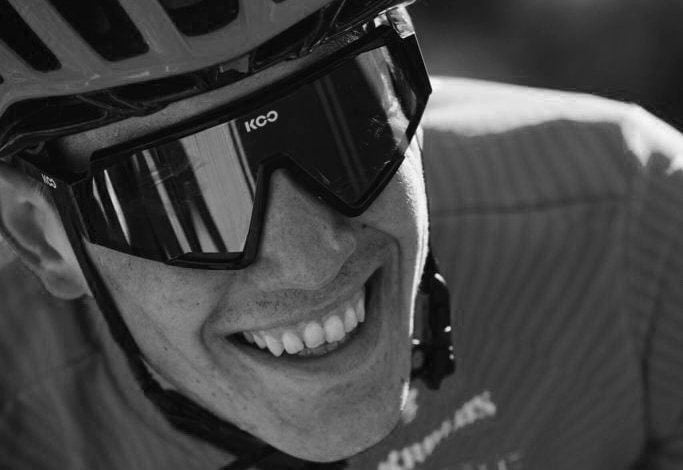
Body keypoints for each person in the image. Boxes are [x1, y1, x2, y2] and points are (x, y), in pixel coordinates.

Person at [0, 1, 681, 469]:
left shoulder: (639, 227)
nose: (310, 261)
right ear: (41, 237)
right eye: (186, 197)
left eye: (344, 124)